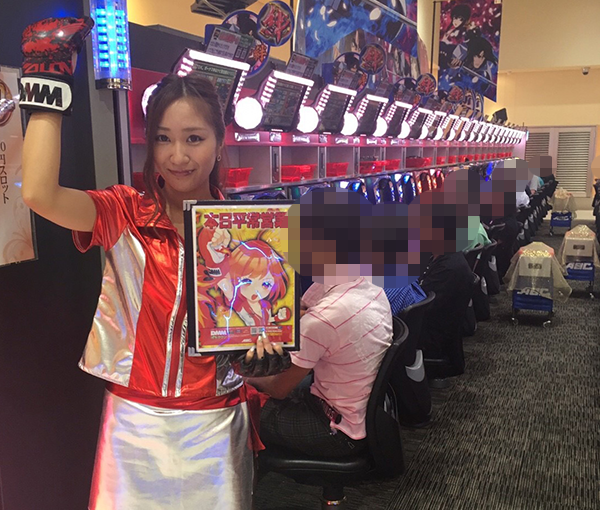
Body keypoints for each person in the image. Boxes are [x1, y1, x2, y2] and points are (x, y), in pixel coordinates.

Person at [20, 16, 289, 510]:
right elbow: (38, 194)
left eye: (194, 138)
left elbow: (267, 345)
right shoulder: (124, 212)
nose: (177, 156)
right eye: (164, 138)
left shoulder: (251, 232)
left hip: (215, 422)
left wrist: (262, 361)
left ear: (220, 141)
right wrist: (47, 79)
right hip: (134, 423)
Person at [248, 189, 394, 458]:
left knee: (238, 404)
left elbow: (278, 388)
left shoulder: (325, 318)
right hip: (357, 409)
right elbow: (303, 310)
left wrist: (241, 376)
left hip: (336, 431)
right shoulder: (365, 281)